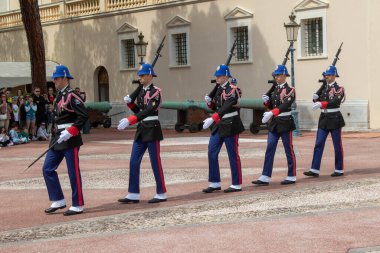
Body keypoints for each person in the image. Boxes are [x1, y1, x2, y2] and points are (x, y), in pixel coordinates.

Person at [117, 63, 167, 204]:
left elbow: (149, 111)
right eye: (139, 75)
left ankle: (161, 192)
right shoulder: (140, 91)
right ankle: (133, 193)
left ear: (150, 76)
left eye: (143, 75)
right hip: (142, 129)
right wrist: (130, 104)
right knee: (134, 161)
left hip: (152, 128)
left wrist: (130, 120)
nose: (140, 77)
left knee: (155, 162)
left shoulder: (156, 92)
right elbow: (139, 111)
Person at [42, 65, 88, 216]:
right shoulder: (58, 95)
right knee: (47, 168)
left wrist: (71, 130)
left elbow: (83, 115)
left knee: (72, 171)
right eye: (54, 78)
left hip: (70, 138)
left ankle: (78, 204)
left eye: (56, 78)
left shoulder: (72, 95)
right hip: (58, 137)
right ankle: (58, 199)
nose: (54, 81)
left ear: (64, 78)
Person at [202, 64, 244, 193]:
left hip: (230, 123)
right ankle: (215, 182)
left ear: (226, 76)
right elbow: (216, 107)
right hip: (219, 124)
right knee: (212, 151)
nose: (217, 78)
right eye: (216, 76)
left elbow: (227, 106)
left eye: (219, 76)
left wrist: (213, 117)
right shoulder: (218, 89)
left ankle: (236, 183)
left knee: (232, 154)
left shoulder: (233, 89)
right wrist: (209, 102)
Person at [252, 65, 297, 186]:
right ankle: (265, 175)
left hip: (285, 121)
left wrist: (272, 112)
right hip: (274, 123)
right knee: (270, 148)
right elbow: (271, 105)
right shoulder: (275, 90)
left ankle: (291, 175)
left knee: (288, 149)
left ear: (284, 75)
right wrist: (266, 101)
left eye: (277, 75)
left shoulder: (290, 90)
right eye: (275, 75)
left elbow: (284, 105)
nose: (275, 77)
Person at [304, 65, 346, 178]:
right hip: (324, 118)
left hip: (335, 118)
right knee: (318, 143)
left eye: (328, 75)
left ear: (334, 75)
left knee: (337, 145)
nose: (326, 76)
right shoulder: (323, 88)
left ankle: (339, 169)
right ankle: (314, 169)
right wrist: (315, 98)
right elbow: (318, 100)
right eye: (325, 75)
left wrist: (321, 103)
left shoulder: (339, 88)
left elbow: (335, 102)